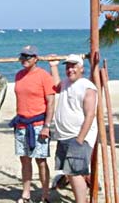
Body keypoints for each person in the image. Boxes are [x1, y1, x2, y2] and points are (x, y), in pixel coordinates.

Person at [49, 54, 98, 203]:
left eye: (74, 66)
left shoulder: (87, 87)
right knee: (69, 172)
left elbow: (90, 115)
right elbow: (56, 85)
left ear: (81, 68)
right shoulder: (65, 83)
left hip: (78, 137)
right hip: (64, 135)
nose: (70, 69)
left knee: (75, 173)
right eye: (68, 66)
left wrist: (80, 139)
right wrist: (54, 66)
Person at [10, 45, 55, 203]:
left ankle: (45, 194)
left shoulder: (44, 76)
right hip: (21, 124)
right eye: (22, 56)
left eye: (28, 56)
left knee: (41, 160)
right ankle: (26, 194)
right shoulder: (18, 75)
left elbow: (50, 102)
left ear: (36, 58)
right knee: (24, 160)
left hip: (38, 124)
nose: (25, 59)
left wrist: (46, 126)